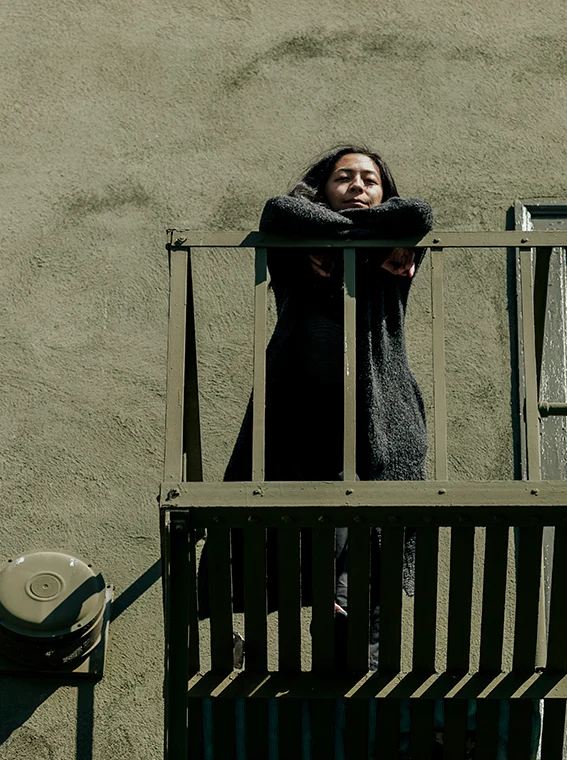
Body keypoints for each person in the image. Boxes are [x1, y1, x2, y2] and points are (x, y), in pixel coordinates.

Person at [198, 145, 433, 670]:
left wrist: (348, 241)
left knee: (372, 534)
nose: (357, 185)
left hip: (381, 416)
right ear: (321, 188)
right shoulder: (297, 238)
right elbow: (278, 211)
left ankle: (355, 655)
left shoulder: (400, 242)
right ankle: (263, 643)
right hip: (297, 412)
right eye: (343, 177)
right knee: (295, 517)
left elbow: (418, 212)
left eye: (369, 179)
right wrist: (355, 239)